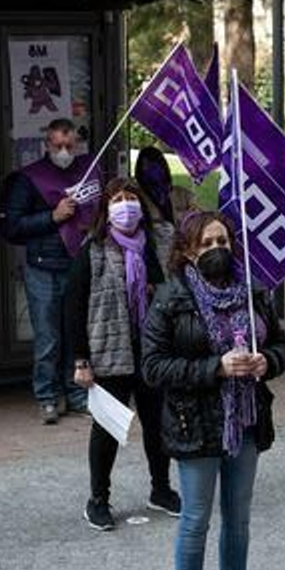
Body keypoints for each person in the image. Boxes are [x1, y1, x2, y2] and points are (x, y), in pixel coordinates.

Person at [141, 211, 285, 570]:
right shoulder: (171, 297)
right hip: (196, 423)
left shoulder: (253, 292)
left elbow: (280, 346)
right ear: (188, 251)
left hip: (246, 419)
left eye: (222, 241)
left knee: (238, 518)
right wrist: (215, 368)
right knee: (196, 519)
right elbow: (153, 366)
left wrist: (267, 362)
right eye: (206, 243)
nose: (216, 250)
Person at [66, 177, 181, 530]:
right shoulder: (94, 249)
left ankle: (161, 489)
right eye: (116, 199)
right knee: (107, 430)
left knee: (158, 425)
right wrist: (81, 360)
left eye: (130, 197)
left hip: (152, 351)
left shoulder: (161, 241)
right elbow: (73, 306)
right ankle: (98, 500)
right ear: (106, 209)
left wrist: (155, 289)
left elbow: (175, 286)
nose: (124, 205)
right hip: (109, 352)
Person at [3, 117, 100, 424]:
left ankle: (76, 394)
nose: (64, 152)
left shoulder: (86, 172)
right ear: (47, 145)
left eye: (69, 146)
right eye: (58, 146)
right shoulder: (29, 179)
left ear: (77, 144)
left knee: (75, 335)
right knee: (48, 339)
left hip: (76, 265)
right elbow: (12, 227)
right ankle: (47, 397)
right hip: (43, 268)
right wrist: (52, 217)